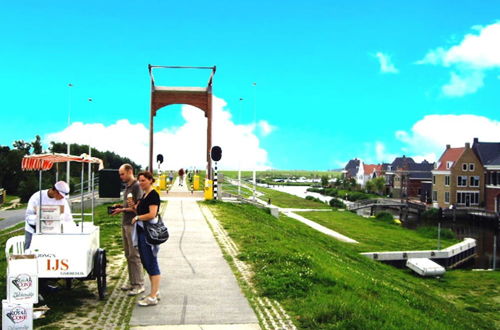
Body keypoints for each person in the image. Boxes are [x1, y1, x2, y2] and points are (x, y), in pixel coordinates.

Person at [112, 164, 145, 296]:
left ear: (130, 171)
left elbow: (138, 207)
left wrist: (123, 209)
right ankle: (133, 282)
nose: (121, 177)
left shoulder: (137, 186)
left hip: (133, 223)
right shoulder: (128, 187)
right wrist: (120, 206)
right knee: (128, 254)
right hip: (125, 222)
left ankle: (139, 284)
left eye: (122, 174)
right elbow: (129, 204)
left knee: (134, 254)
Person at [132, 171, 161, 306]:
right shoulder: (145, 195)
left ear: (150, 180)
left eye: (143, 180)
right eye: (139, 180)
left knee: (151, 262)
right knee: (147, 261)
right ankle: (154, 291)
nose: (141, 183)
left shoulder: (153, 195)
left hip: (148, 232)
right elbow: (141, 211)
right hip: (142, 230)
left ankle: (153, 296)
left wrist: (138, 217)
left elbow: (152, 214)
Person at [24, 181, 73, 250]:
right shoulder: (37, 197)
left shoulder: (63, 201)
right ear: (55, 191)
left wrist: (71, 228)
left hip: (52, 230)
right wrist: (43, 218)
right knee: (29, 250)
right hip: (33, 229)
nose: (62, 198)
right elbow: (28, 217)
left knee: (48, 251)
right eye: (61, 196)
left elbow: (68, 217)